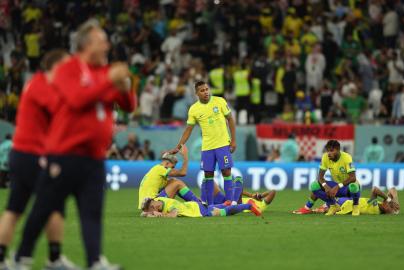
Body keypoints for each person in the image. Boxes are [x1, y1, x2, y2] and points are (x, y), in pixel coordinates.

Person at [11, 19, 136, 270]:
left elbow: (128, 106)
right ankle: (20, 257)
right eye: (102, 41)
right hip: (65, 154)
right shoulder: (68, 69)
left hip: (94, 157)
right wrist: (109, 80)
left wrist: (125, 87)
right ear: (87, 44)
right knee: (43, 208)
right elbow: (77, 99)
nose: (107, 45)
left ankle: (95, 261)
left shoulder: (103, 72)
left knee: (92, 212)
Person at [0, 50, 80, 270]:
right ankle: (50, 259)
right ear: (54, 66)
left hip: (24, 154)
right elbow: (63, 109)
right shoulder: (42, 85)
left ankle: (4, 259)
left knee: (15, 209)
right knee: (53, 205)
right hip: (33, 155)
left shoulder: (37, 84)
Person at [170, 81, 237, 205]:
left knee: (226, 172)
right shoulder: (194, 109)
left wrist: (233, 140)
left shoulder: (220, 101)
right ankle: (210, 205)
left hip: (222, 144)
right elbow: (188, 130)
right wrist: (178, 146)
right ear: (197, 93)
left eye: (207, 89)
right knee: (208, 174)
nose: (206, 92)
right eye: (202, 90)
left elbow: (230, 120)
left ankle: (230, 202)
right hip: (207, 147)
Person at [293, 140, 361, 216]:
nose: (329, 153)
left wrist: (337, 187)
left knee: (353, 186)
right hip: (337, 187)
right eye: (327, 150)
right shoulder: (325, 157)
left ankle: (355, 206)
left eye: (331, 151)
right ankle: (333, 205)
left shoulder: (346, 157)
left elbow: (353, 178)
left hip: (347, 189)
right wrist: (326, 186)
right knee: (315, 185)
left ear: (338, 150)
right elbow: (320, 177)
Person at [140, 197, 262, 218]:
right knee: (213, 208)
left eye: (151, 207)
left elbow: (172, 216)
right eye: (149, 209)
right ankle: (224, 204)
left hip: (198, 210)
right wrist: (147, 214)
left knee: (222, 213)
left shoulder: (171, 205)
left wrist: (158, 216)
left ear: (154, 200)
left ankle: (249, 205)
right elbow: (143, 214)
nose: (152, 210)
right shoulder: (161, 201)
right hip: (194, 205)